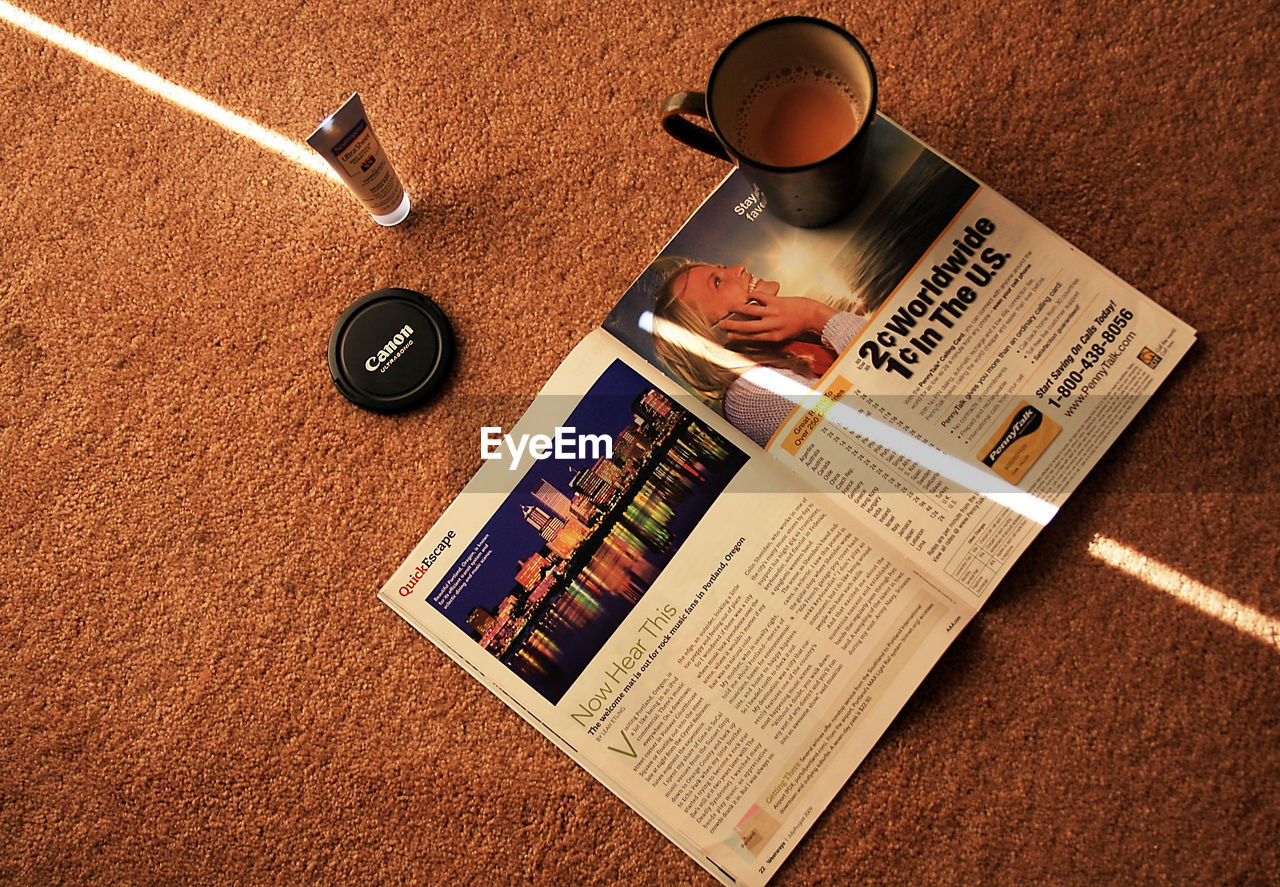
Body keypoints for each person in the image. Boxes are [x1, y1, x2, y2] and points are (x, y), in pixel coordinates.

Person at [650, 258, 867, 447]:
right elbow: (867, 420)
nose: (740, 267)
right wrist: (814, 313)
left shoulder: (790, 340)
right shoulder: (748, 397)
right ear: (714, 334)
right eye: (718, 282)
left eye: (723, 268)